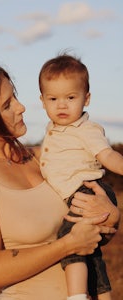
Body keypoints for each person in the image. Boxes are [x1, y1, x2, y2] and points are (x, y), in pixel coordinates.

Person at [0, 58, 120, 300]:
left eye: (14, 96)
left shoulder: (45, 158)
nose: (21, 107)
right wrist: (67, 246)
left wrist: (113, 216)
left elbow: (90, 238)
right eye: (7, 105)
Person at [39, 53, 123, 300]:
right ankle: (102, 295)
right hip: (78, 194)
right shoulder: (53, 129)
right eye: (53, 98)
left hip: (87, 191)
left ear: (86, 99)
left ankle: (76, 296)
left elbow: (107, 156)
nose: (62, 105)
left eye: (71, 97)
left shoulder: (87, 130)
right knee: (91, 251)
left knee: (70, 240)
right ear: (42, 101)